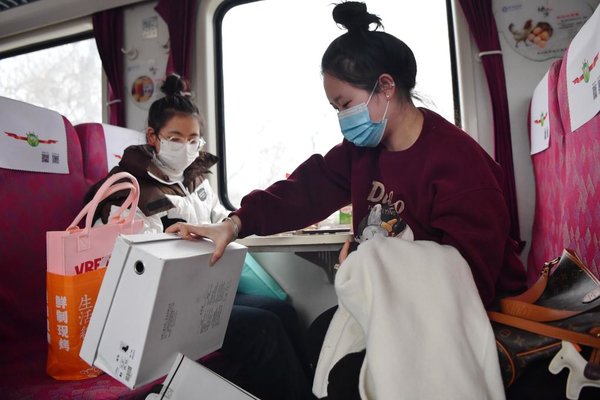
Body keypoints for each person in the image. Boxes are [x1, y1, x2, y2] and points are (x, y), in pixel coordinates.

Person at [167, 2, 528, 397]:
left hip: (461, 309)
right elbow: (305, 190)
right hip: (401, 300)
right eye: (335, 108)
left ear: (385, 87)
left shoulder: (459, 164)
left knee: (341, 372)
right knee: (316, 336)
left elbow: (466, 278)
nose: (342, 118)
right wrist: (234, 223)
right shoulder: (363, 150)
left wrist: (371, 263)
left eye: (345, 105)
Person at [86, 74, 313, 400]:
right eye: (175, 138)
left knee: (281, 311)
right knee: (264, 328)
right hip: (159, 307)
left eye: (194, 139)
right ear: (153, 136)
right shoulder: (127, 190)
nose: (187, 148)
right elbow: (130, 268)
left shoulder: (193, 181)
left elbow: (216, 221)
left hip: (199, 291)